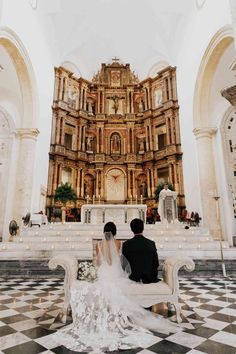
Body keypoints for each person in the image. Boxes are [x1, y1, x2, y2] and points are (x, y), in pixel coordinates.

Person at [53, 221, 181, 352]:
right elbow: (123, 261)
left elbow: (97, 262)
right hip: (116, 271)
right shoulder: (121, 243)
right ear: (115, 232)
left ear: (104, 231)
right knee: (118, 285)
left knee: (103, 286)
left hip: (104, 272)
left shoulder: (100, 244)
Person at [122, 218, 159, 283]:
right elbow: (156, 263)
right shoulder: (151, 243)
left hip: (132, 278)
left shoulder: (126, 244)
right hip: (149, 278)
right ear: (143, 228)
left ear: (131, 229)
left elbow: (124, 265)